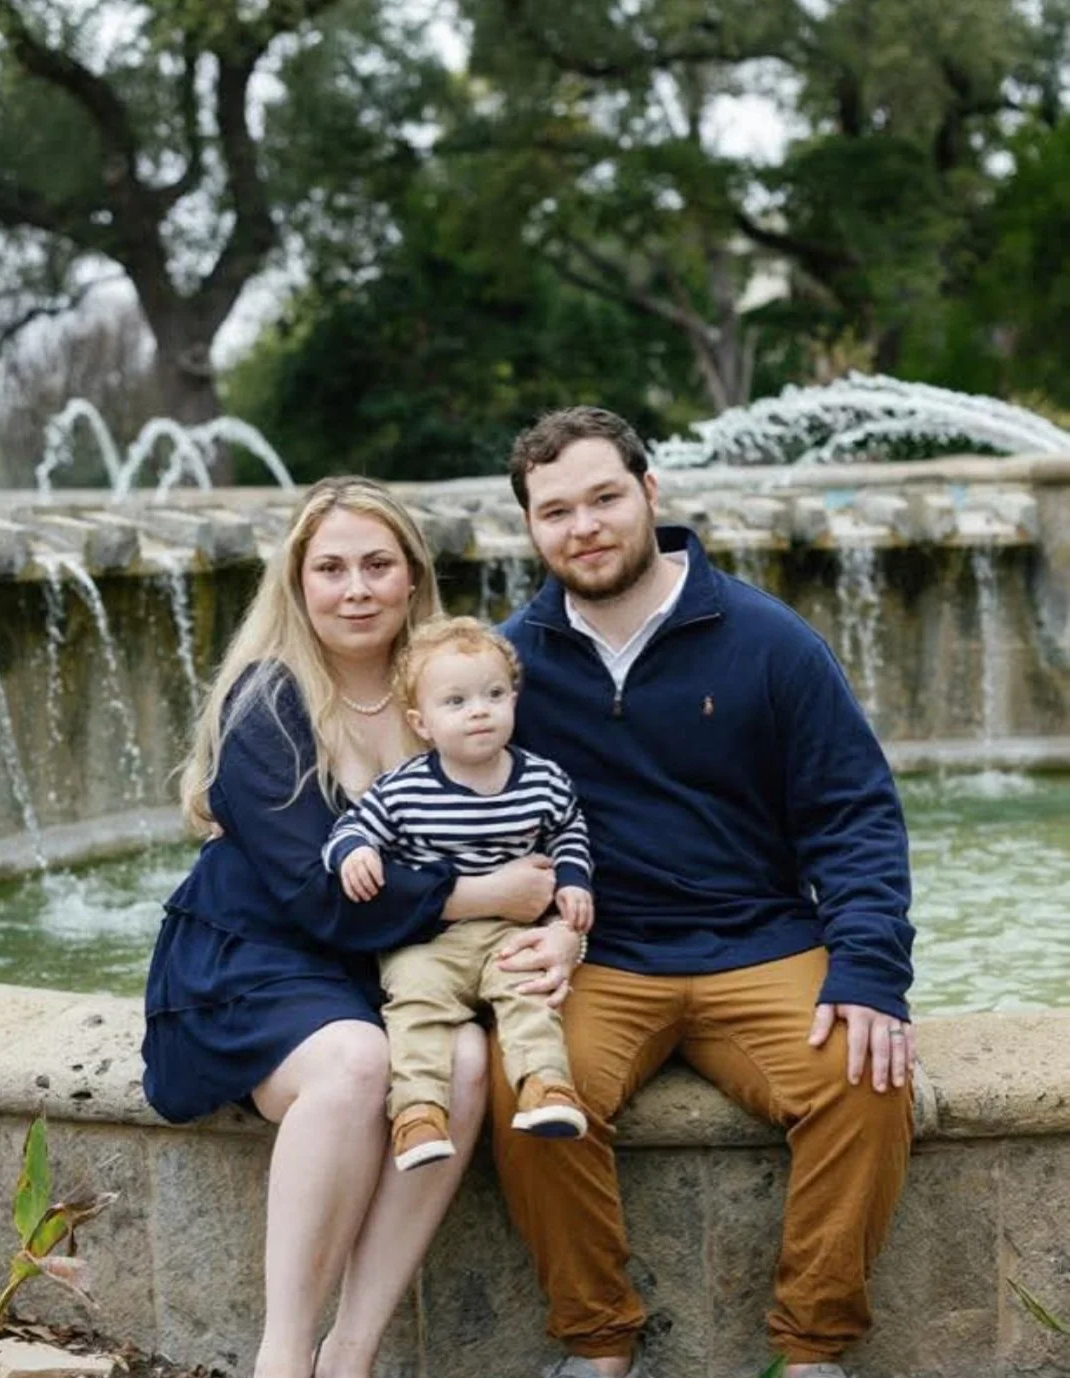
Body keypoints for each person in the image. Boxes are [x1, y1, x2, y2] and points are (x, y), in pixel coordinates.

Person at [490, 407, 917, 1378]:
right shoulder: (507, 668)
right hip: (596, 957)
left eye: (603, 497)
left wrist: (870, 968)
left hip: (761, 944)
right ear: (530, 528)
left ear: (649, 493)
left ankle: (809, 1351)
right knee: (525, 1082)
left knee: (868, 1073)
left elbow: (854, 814)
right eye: (555, 510)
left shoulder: (768, 640)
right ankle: (598, 1346)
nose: (584, 526)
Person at [141, 477, 564, 1378]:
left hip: (386, 964)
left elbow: (544, 827)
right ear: (299, 586)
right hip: (258, 960)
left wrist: (563, 920)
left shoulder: (453, 690)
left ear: (414, 577)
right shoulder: (269, 700)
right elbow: (311, 890)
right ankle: (284, 1357)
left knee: (461, 1063)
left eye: (378, 565)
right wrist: (485, 896)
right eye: (330, 569)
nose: (356, 588)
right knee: (356, 1062)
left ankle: (353, 1352)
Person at [323, 615, 595, 1172]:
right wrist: (356, 853)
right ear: (421, 723)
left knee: (531, 994)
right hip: (431, 940)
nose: (479, 710)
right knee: (415, 1005)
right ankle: (418, 1114)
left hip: (510, 933)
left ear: (514, 700)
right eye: (457, 701)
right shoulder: (406, 788)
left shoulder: (542, 779)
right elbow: (351, 828)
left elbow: (570, 831)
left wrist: (573, 881)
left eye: (494, 695)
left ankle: (546, 1087)